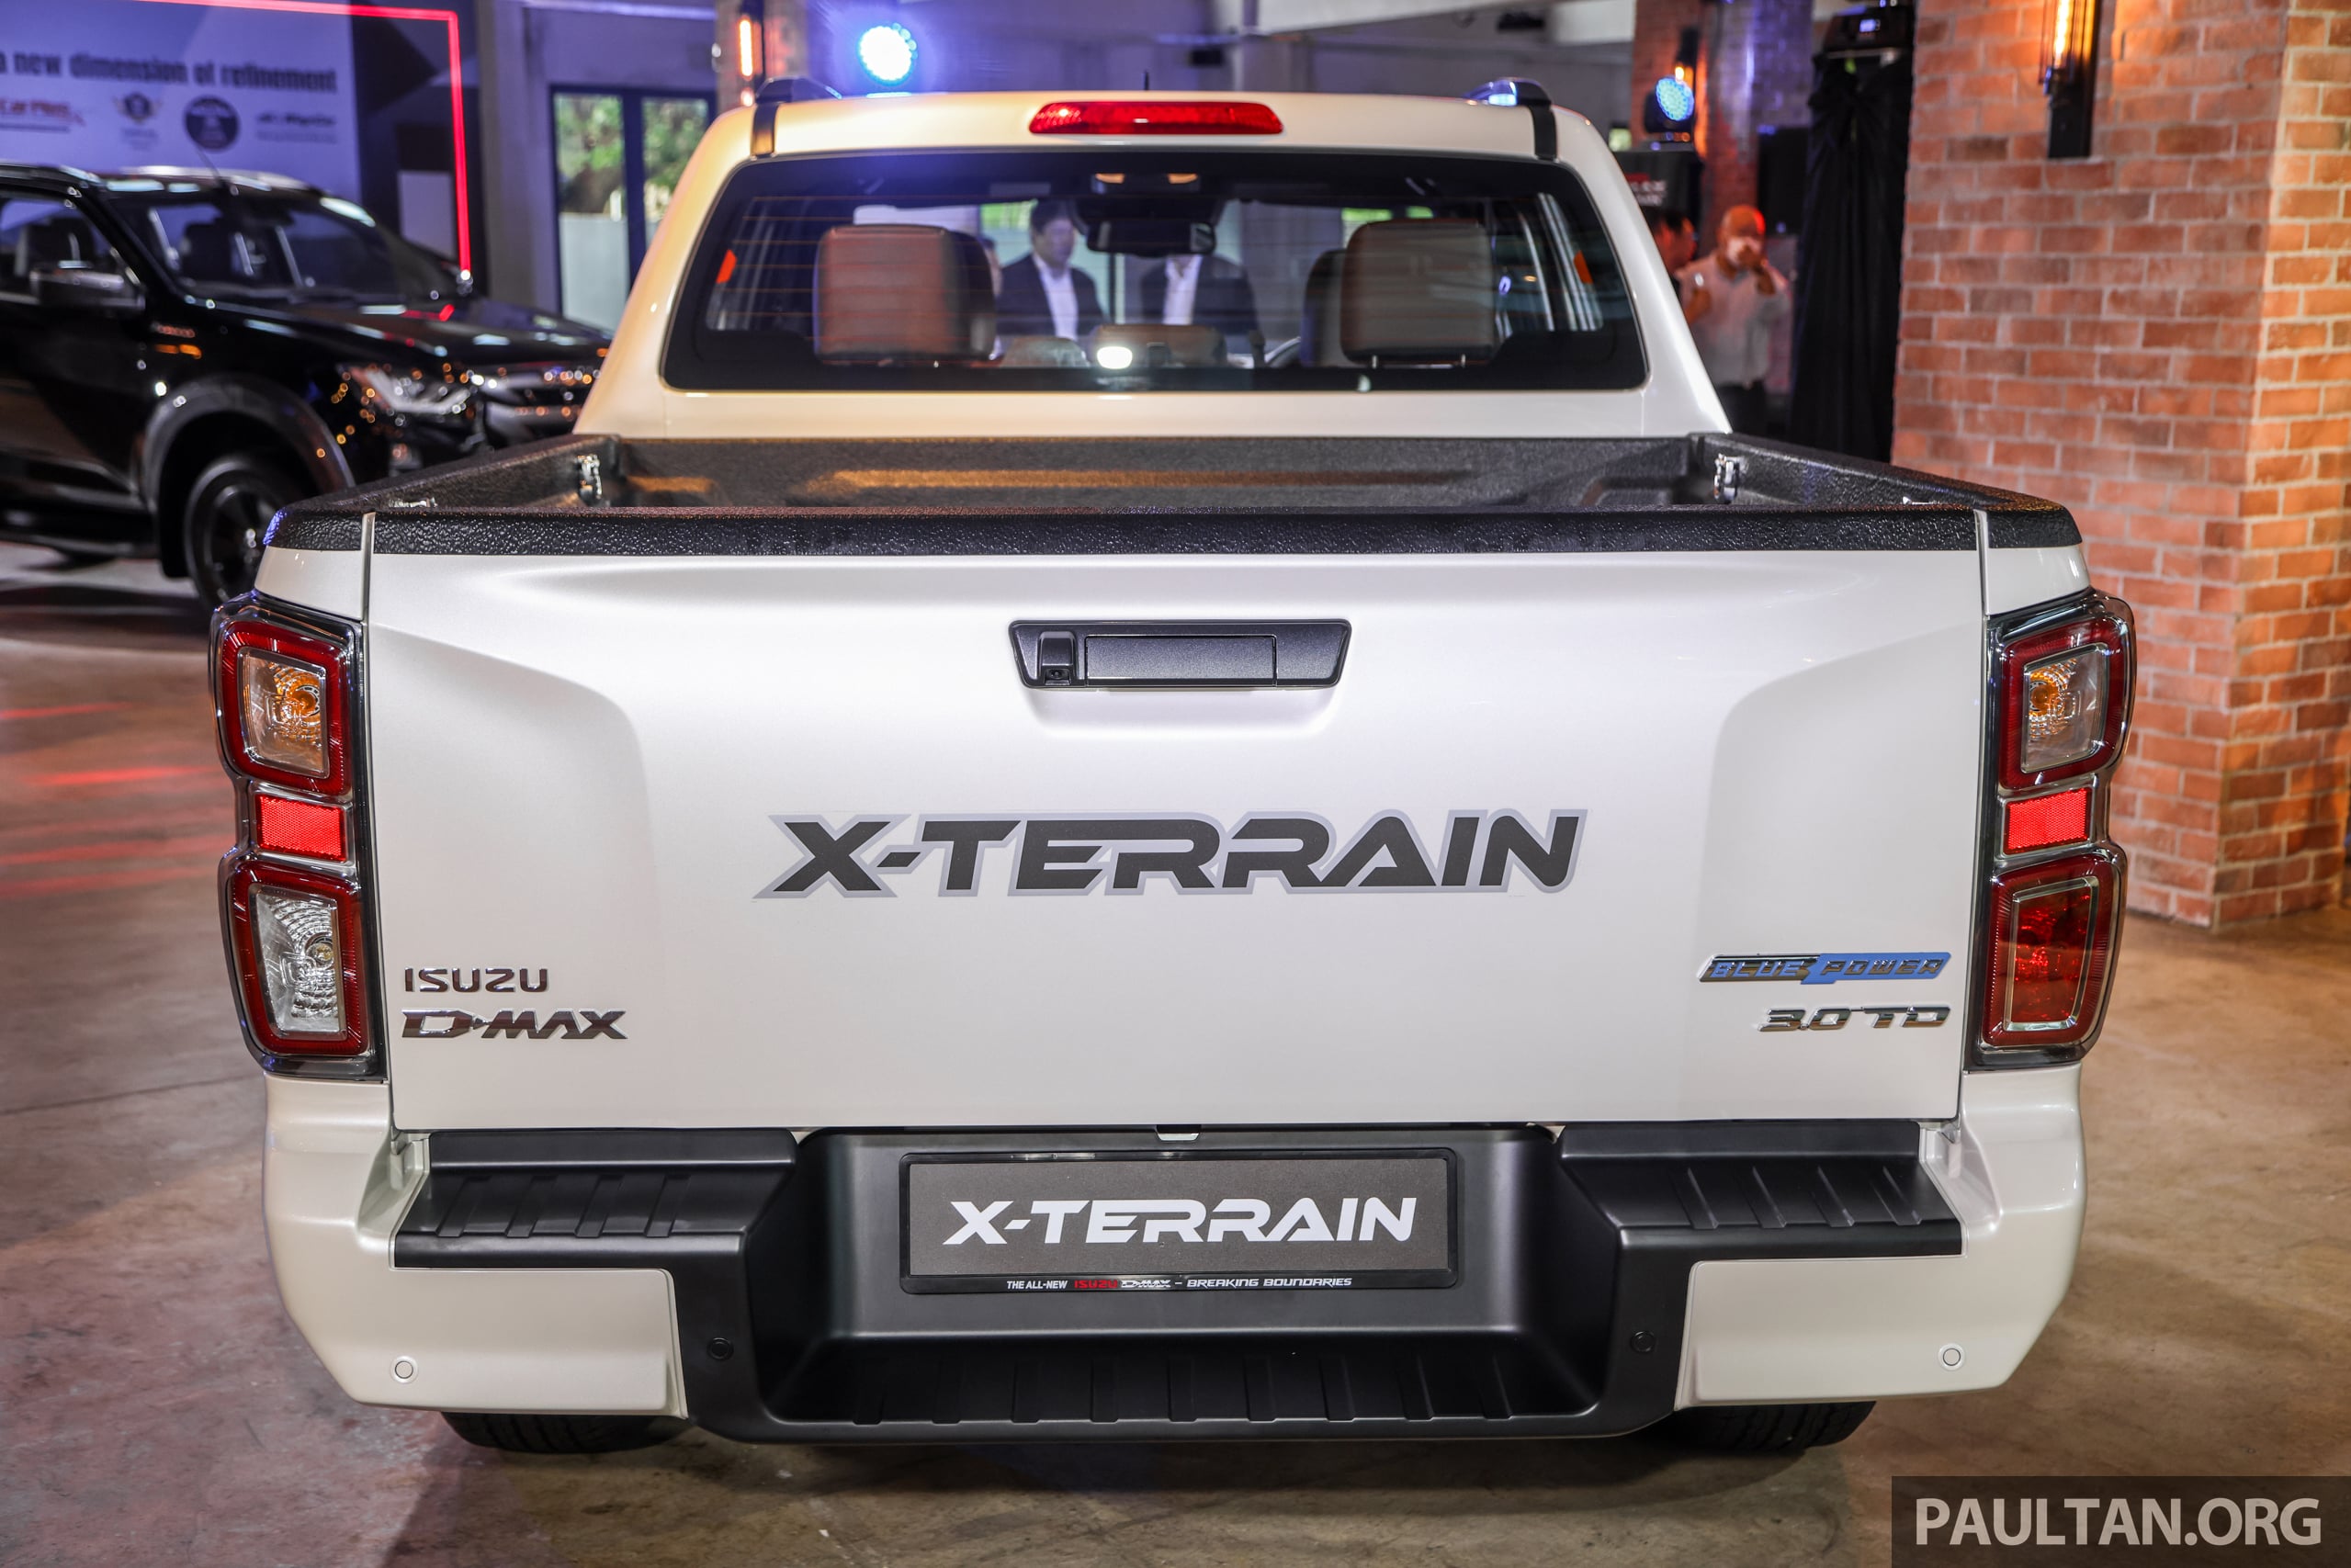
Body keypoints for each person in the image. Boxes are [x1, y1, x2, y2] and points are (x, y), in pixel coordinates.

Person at [1677, 205, 1789, 435]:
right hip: (1705, 391)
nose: (1748, 242)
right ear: (1722, 235)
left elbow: (1781, 308)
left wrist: (1760, 270)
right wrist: (1694, 311)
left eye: (1756, 235)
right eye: (1742, 232)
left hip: (1748, 396)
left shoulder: (1765, 278)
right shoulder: (1693, 275)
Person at [996, 200, 1102, 342]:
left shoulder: (1084, 282)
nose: (1066, 240)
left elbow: (1098, 329)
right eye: (1058, 232)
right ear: (1035, 235)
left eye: (1071, 232)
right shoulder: (1010, 280)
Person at [1138, 249, 1259, 348]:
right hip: (1162, 365)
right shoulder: (1151, 279)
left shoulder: (1229, 275)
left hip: (1210, 366)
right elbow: (1150, 333)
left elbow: (1246, 337)